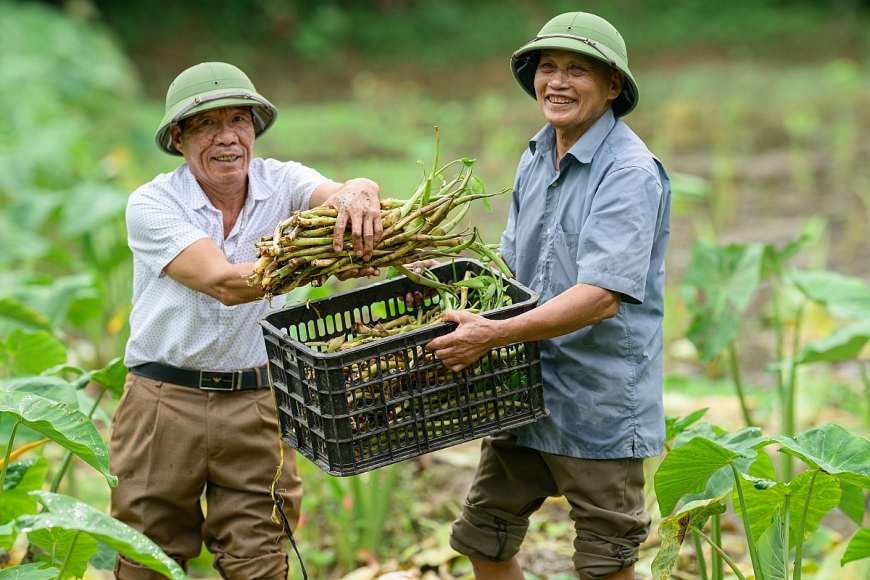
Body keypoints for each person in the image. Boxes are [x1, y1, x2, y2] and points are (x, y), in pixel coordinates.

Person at [111, 62, 383, 580]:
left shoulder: (282, 182)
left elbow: (338, 192)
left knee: (259, 560)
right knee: (148, 558)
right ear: (178, 136)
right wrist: (324, 258)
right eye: (207, 124)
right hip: (164, 404)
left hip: (257, 402)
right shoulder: (153, 203)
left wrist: (360, 190)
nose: (228, 137)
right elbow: (224, 282)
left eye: (240, 120)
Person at [425, 12, 671, 580]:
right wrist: (434, 271)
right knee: (484, 537)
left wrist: (493, 334)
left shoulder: (630, 172)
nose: (556, 81)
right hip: (525, 388)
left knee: (605, 562)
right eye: (547, 67)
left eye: (577, 70)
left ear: (613, 86)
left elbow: (601, 296)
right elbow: (514, 268)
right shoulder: (537, 153)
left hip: (597, 400)